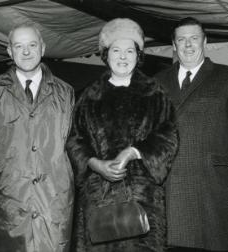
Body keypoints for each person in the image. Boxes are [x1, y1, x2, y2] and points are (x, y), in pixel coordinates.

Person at [67, 18, 178, 252]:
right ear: (105, 54)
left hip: (142, 201)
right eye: (116, 50)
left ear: (139, 55)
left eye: (130, 50)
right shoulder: (89, 97)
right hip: (98, 199)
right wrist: (95, 164)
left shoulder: (155, 94)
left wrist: (134, 152)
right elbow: (75, 140)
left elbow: (169, 137)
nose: (123, 57)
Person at [0, 22, 75, 252]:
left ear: (43, 48)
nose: (26, 52)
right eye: (19, 46)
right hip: (10, 195)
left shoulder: (65, 92)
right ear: (9, 51)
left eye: (32, 45)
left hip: (53, 196)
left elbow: (71, 138)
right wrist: (6, 165)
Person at [154, 17, 228, 251]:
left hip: (212, 185)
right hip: (169, 185)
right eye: (182, 39)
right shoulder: (158, 81)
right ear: (174, 45)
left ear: (205, 41)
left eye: (194, 38)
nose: (188, 45)